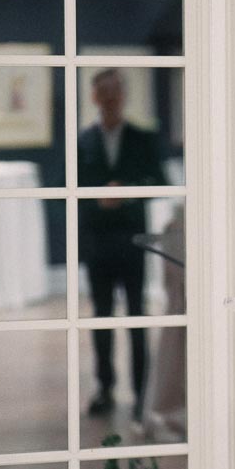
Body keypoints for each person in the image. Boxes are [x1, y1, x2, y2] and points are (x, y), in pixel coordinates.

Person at [77, 68, 168, 418]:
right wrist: (97, 199)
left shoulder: (142, 139)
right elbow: (66, 188)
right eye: (105, 93)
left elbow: (158, 181)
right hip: (97, 240)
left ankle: (142, 392)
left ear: (123, 95)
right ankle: (104, 388)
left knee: (136, 316)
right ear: (95, 97)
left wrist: (126, 195)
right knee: (101, 317)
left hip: (132, 240)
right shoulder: (84, 140)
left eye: (116, 92)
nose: (111, 99)